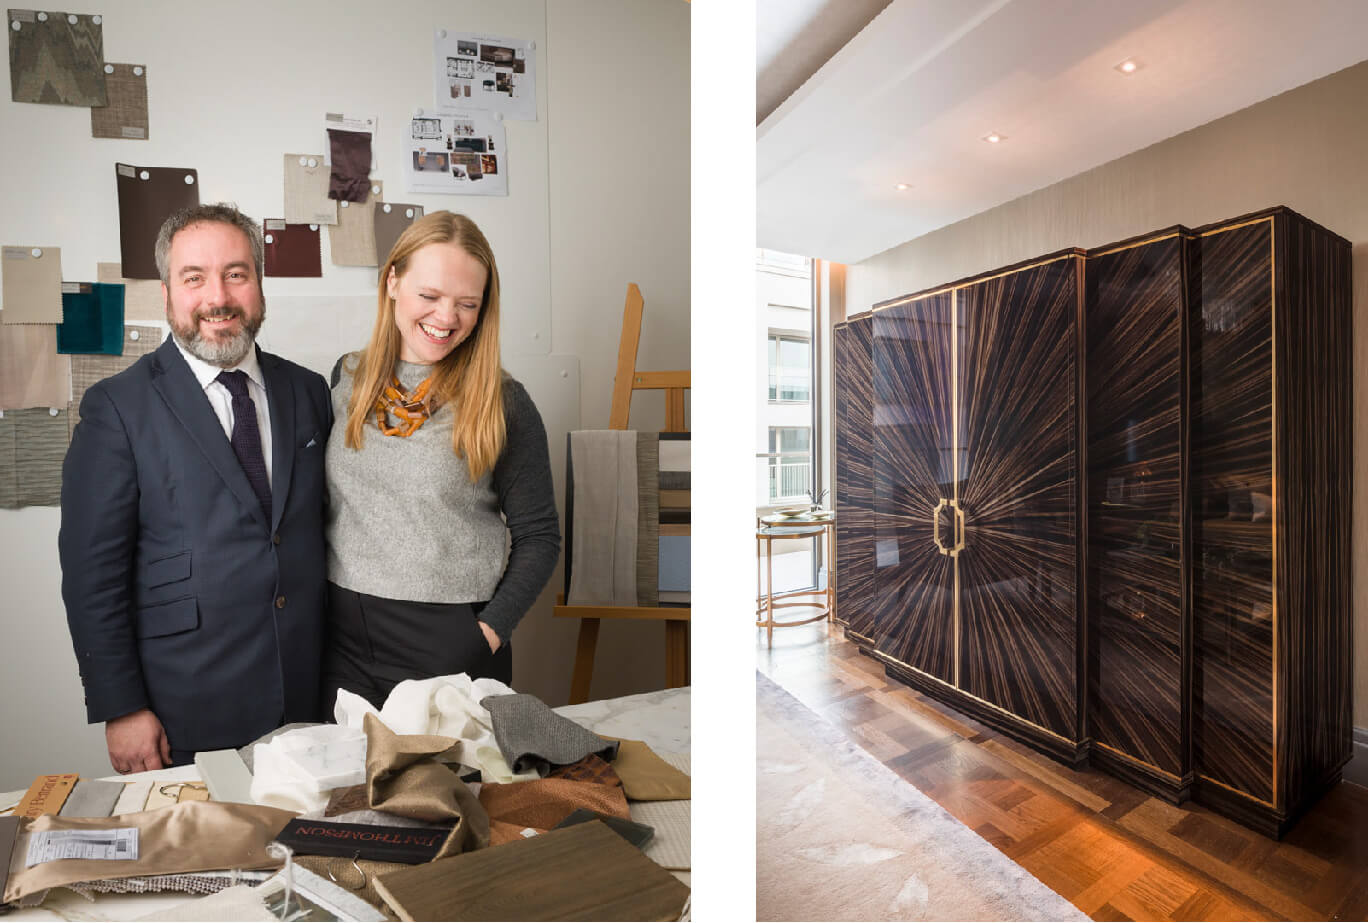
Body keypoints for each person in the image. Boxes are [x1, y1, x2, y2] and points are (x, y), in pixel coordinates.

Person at [59, 203, 332, 773]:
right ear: (166, 294)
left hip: (310, 697)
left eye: (236, 273)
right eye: (194, 278)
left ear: (259, 285)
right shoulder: (116, 407)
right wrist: (121, 706)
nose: (219, 298)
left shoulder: (307, 391)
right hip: (183, 705)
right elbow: (92, 575)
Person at [321, 211, 560, 711]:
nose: (446, 318)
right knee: (349, 788)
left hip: (448, 643)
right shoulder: (345, 378)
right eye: (429, 296)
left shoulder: (503, 401)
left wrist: (485, 635)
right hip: (342, 641)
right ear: (393, 282)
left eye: (466, 304)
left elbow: (540, 536)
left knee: (454, 789)